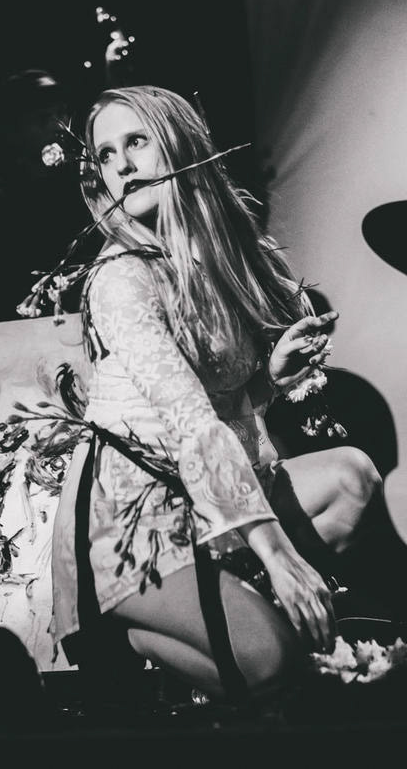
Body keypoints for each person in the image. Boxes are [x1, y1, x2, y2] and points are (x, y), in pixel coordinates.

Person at [49, 85, 382, 702]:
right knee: (273, 664)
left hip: (207, 495)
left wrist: (269, 376)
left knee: (352, 479)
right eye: (106, 153)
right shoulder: (121, 278)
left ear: (178, 144)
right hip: (136, 519)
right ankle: (132, 635)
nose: (122, 165)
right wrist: (276, 552)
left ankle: (232, 606)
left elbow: (226, 404)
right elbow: (191, 420)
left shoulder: (213, 261)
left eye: (137, 141)